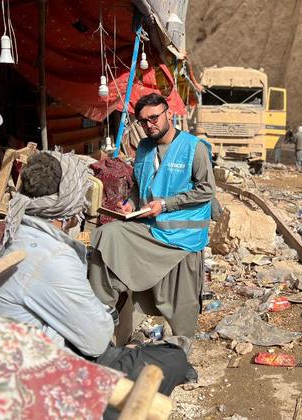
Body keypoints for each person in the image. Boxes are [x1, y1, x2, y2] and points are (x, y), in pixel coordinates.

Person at [0, 151, 189, 401]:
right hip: (36, 376)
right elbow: (95, 343)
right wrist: (103, 317)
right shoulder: (52, 256)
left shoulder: (18, 234)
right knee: (172, 359)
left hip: (18, 352)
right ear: (69, 200)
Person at [87, 94, 214, 381]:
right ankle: (101, 314)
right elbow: (140, 187)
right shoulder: (143, 149)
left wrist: (166, 204)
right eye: (144, 121)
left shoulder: (194, 148)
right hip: (150, 228)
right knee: (107, 236)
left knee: (182, 302)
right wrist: (131, 203)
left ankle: (182, 357)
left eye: (154, 118)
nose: (149, 125)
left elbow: (206, 190)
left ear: (168, 114)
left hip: (182, 235)